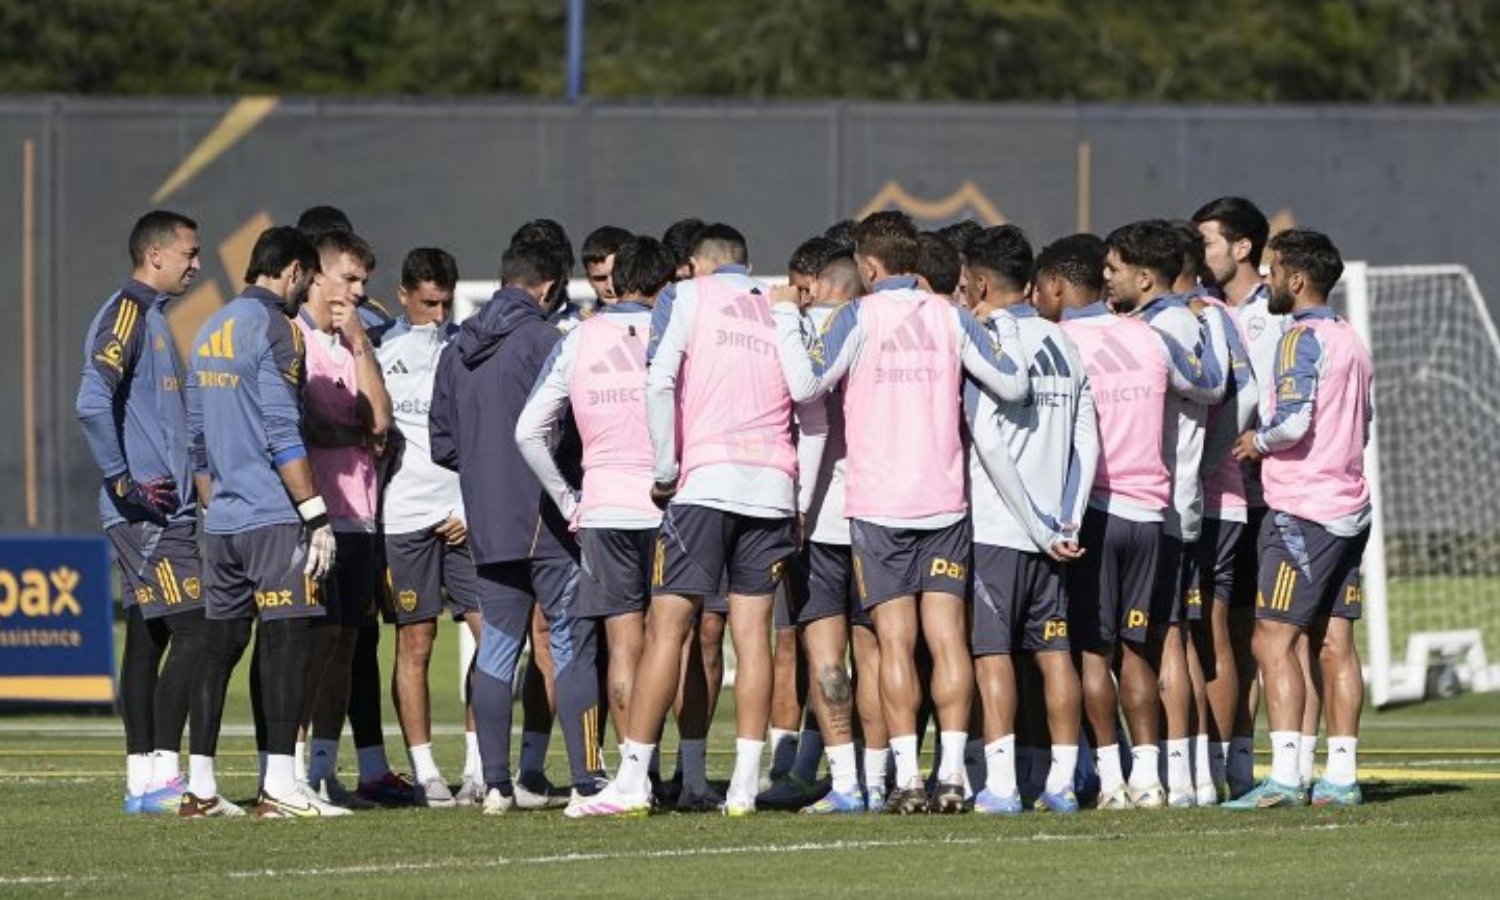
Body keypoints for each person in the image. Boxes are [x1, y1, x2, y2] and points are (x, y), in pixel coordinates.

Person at [772, 211, 1038, 815]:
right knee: (947, 642)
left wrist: (787, 314)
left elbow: (806, 383)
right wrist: (1001, 326)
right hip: (944, 502)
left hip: (879, 507)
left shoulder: (858, 316)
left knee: (895, 644)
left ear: (868, 266)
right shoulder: (950, 316)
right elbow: (1012, 383)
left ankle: (909, 781)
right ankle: (951, 776)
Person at [570, 223, 804, 817]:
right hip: (773, 483)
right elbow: (805, 390)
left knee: (667, 629)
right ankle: (746, 788)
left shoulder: (689, 296)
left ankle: (630, 781)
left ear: (697, 265)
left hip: (704, 481)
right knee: (753, 639)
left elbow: (658, 381)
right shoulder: (777, 303)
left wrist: (667, 468)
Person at [516, 236, 697, 815]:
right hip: (671, 504)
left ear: (617, 283)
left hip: (604, 506)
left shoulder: (578, 338)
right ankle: (682, 774)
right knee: (677, 640)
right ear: (663, 285)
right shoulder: (676, 334)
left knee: (623, 645)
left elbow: (528, 431)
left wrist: (569, 498)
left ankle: (629, 777)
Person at [430, 237, 605, 815]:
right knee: (571, 646)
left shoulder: (454, 350)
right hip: (548, 520)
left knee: (498, 651)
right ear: (551, 287)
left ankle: (497, 785)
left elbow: (442, 444)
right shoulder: (545, 341)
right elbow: (575, 431)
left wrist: (485, 475)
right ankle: (585, 781)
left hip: (486, 522)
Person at [1056, 231, 1221, 810]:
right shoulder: (1153, 339)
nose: (1109, 276)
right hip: (1153, 513)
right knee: (1141, 651)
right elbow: (1211, 385)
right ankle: (1151, 781)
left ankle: (1111, 779)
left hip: (1098, 510)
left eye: (1114, 267)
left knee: (1094, 654)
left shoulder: (1068, 338)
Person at [186, 225, 345, 817]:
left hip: (222, 519)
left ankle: (199, 789)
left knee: (218, 647)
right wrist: (316, 516)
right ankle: (280, 785)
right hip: (273, 516)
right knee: (287, 639)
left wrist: (217, 502)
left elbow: (197, 435)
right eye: (308, 280)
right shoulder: (278, 328)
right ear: (294, 271)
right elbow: (283, 430)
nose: (307, 291)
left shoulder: (208, 326)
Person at [76, 211, 224, 815]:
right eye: (189, 252)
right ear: (155, 255)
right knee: (197, 629)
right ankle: (167, 778)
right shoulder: (128, 314)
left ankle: (142, 783)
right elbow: (91, 402)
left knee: (150, 634)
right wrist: (123, 481)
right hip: (149, 516)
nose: (197, 263)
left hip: (166, 509)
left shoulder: (157, 320)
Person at [1227, 230, 1373, 809]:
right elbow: (1364, 420)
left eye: (1273, 270)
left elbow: (1293, 422)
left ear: (1297, 280)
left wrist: (1255, 443)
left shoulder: (1298, 339)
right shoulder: (1352, 340)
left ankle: (1286, 777)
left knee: (1273, 641)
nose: (1266, 280)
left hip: (1303, 511)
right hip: (1349, 506)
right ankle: (1341, 775)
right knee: (1336, 642)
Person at [964, 227, 1095, 815]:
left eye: (967, 285)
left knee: (993, 654)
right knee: (1054, 655)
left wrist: (1039, 525)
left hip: (1000, 528)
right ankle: (1062, 783)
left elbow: (988, 442)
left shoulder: (990, 337)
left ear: (984, 283)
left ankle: (1002, 786)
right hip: (1055, 534)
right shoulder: (1065, 343)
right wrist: (1067, 519)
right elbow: (1086, 443)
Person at [372, 248, 485, 807]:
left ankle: (478, 767)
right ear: (403, 296)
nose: (438, 316)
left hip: (465, 516)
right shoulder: (380, 350)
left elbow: (485, 434)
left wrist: (472, 504)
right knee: (416, 642)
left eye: (445, 303)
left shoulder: (467, 348)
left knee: (491, 640)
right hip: (404, 518)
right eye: (427, 304)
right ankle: (425, 773)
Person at [293, 230, 394, 808]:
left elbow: (378, 421)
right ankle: (291, 767)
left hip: (362, 518)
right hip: (316, 519)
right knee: (312, 642)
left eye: (363, 283)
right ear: (317, 276)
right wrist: (343, 431)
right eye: (348, 280)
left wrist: (359, 345)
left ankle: (325, 772)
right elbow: (300, 427)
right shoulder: (297, 339)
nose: (357, 292)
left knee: (346, 644)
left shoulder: (350, 342)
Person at [1192, 196, 1286, 797]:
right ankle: (1231, 764)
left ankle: (1240, 761)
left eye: (1208, 241)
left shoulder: (1272, 314)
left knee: (1248, 633)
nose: (1201, 254)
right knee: (1223, 631)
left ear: (1242, 247)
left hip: (1258, 496)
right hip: (1213, 493)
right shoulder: (1199, 308)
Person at [581, 225, 633, 306]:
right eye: (600, 278)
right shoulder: (578, 318)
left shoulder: (656, 317)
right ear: (589, 279)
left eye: (620, 276)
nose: (610, 287)